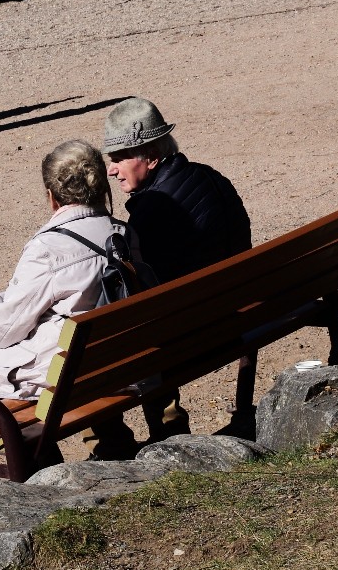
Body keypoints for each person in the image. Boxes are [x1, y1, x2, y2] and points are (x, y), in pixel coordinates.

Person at [96, 97, 253, 446]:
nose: (112, 169)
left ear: (151, 157)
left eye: (120, 158)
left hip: (195, 334)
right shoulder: (210, 177)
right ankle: (165, 427)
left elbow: (145, 293)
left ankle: (113, 445)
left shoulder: (153, 209)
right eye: (111, 159)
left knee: (99, 352)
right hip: (239, 314)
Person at [0, 141, 127, 401]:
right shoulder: (124, 234)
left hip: (66, 371)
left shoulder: (48, 248)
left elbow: (1, 331)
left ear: (52, 196)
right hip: (119, 359)